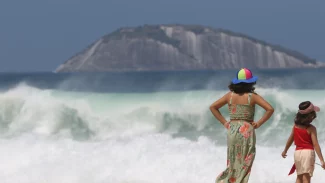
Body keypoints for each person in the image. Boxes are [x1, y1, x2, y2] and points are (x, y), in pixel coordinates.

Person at [210, 68, 274, 183]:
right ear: (251, 82)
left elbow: (213, 107)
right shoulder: (252, 96)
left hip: (232, 129)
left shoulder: (229, 96)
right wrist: (258, 123)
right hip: (246, 130)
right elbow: (270, 109)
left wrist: (225, 122)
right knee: (245, 162)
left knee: (233, 161)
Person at [282, 101, 325, 183]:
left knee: (299, 178)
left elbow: (291, 139)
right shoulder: (311, 128)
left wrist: (285, 150)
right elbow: (315, 144)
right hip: (308, 153)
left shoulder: (295, 126)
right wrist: (322, 160)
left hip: (297, 153)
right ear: (310, 115)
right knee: (306, 179)